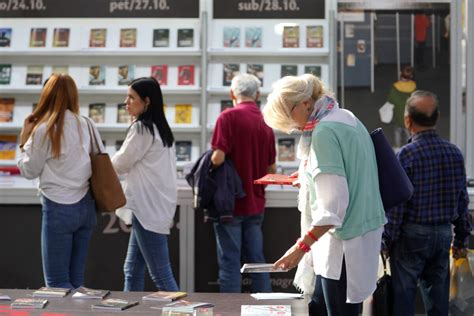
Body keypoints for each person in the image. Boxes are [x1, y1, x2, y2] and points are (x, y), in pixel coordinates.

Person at [263, 74, 386, 315]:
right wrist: (310, 182)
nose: (291, 126)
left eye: (288, 115)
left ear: (305, 103)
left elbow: (333, 208)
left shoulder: (324, 132)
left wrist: (300, 248)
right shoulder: (346, 117)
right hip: (360, 236)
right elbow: (350, 176)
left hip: (341, 246)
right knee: (321, 306)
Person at [382, 90, 472, 316]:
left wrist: (386, 240)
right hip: (443, 234)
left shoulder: (406, 155)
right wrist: (461, 237)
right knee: (438, 299)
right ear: (438, 117)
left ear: (407, 120)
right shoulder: (455, 153)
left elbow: (397, 205)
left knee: (403, 298)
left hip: (411, 236)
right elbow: (462, 199)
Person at [17, 74, 102, 289]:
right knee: (76, 282)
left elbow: (29, 170)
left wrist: (23, 141)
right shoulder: (87, 124)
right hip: (86, 206)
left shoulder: (45, 129)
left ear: (46, 96)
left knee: (57, 285)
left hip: (58, 207)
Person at [211, 73, 276, 293]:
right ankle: (268, 307)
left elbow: (218, 158)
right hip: (256, 202)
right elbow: (271, 169)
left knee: (230, 261)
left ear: (232, 94)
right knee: (257, 260)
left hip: (230, 204)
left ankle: (230, 310)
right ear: (257, 95)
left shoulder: (227, 118)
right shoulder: (266, 121)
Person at [112, 77, 179, 292]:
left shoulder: (142, 129)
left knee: (161, 275)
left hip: (146, 207)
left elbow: (120, 164)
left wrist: (96, 163)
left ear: (146, 101)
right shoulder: (161, 129)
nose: (126, 102)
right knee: (131, 269)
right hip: (154, 206)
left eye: (131, 97)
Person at [386, 65, 416, 149]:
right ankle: (410, 147)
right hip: (408, 114)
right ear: (411, 76)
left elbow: (390, 100)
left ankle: (397, 147)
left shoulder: (395, 87)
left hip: (398, 114)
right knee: (408, 131)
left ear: (400, 74)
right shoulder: (413, 86)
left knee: (397, 131)